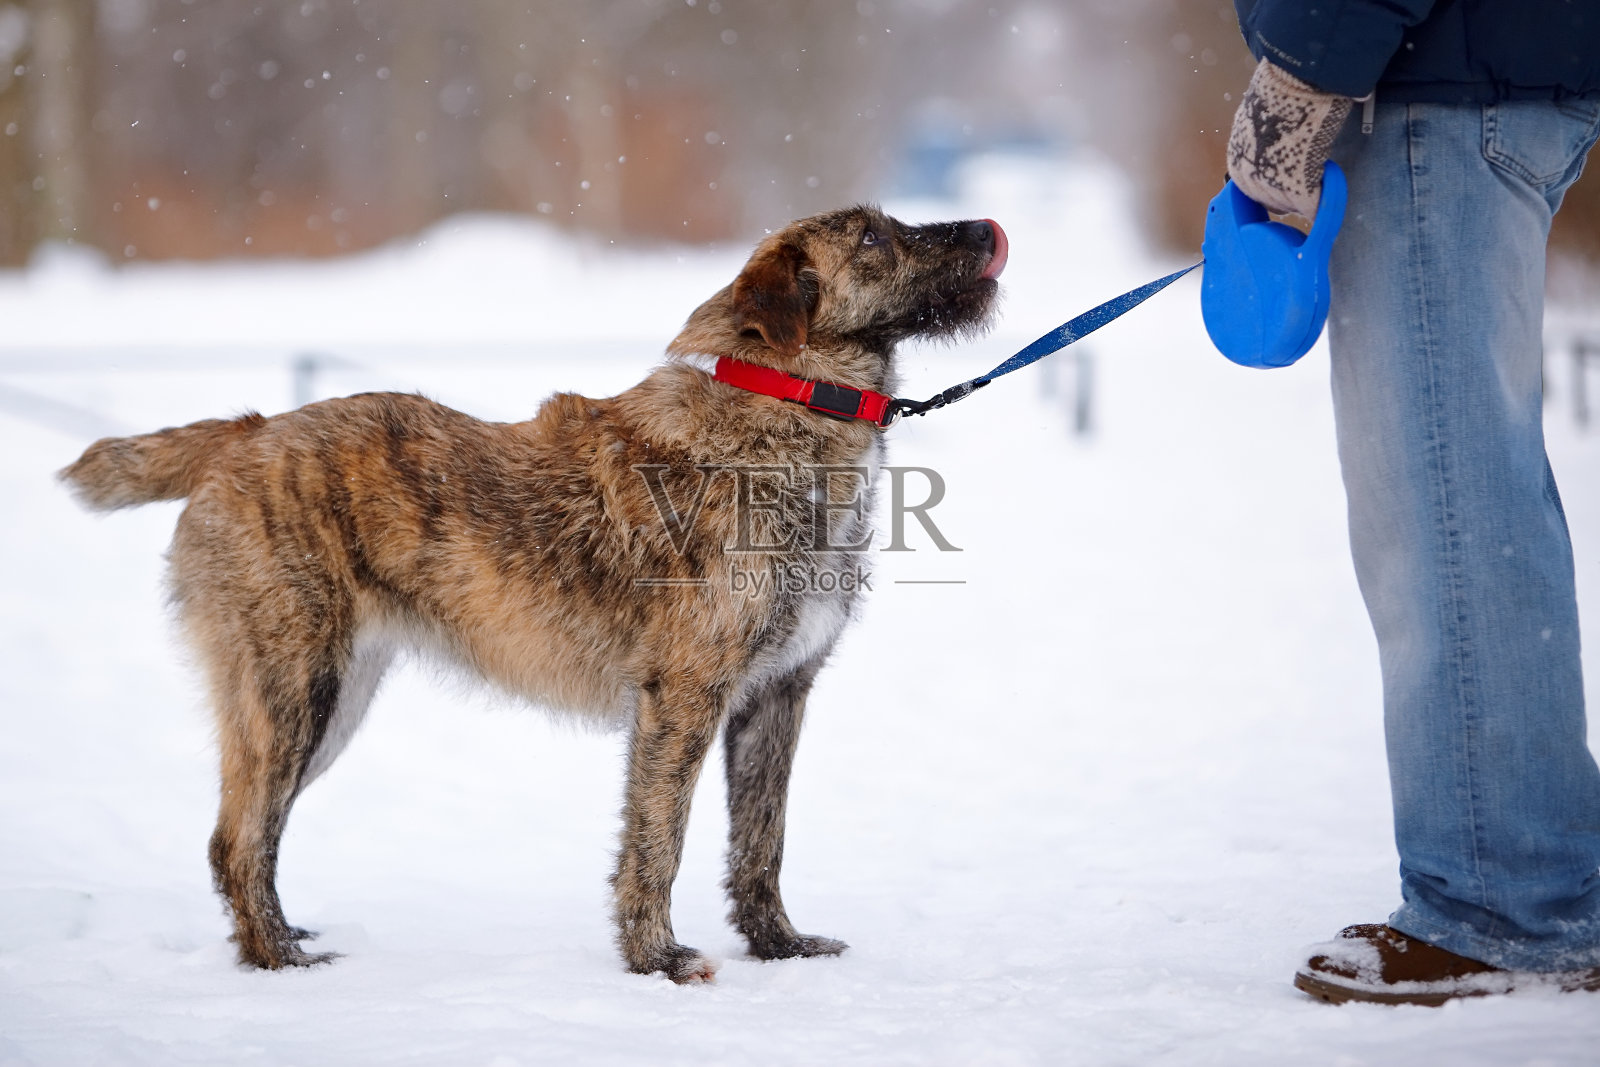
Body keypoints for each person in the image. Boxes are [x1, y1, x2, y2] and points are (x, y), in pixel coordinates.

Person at [1225, 0, 1600, 1006]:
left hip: (1431, 87)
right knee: (1471, 481)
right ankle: (1530, 873)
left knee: (1446, 500)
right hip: (1466, 73)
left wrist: (1303, 67)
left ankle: (1507, 901)